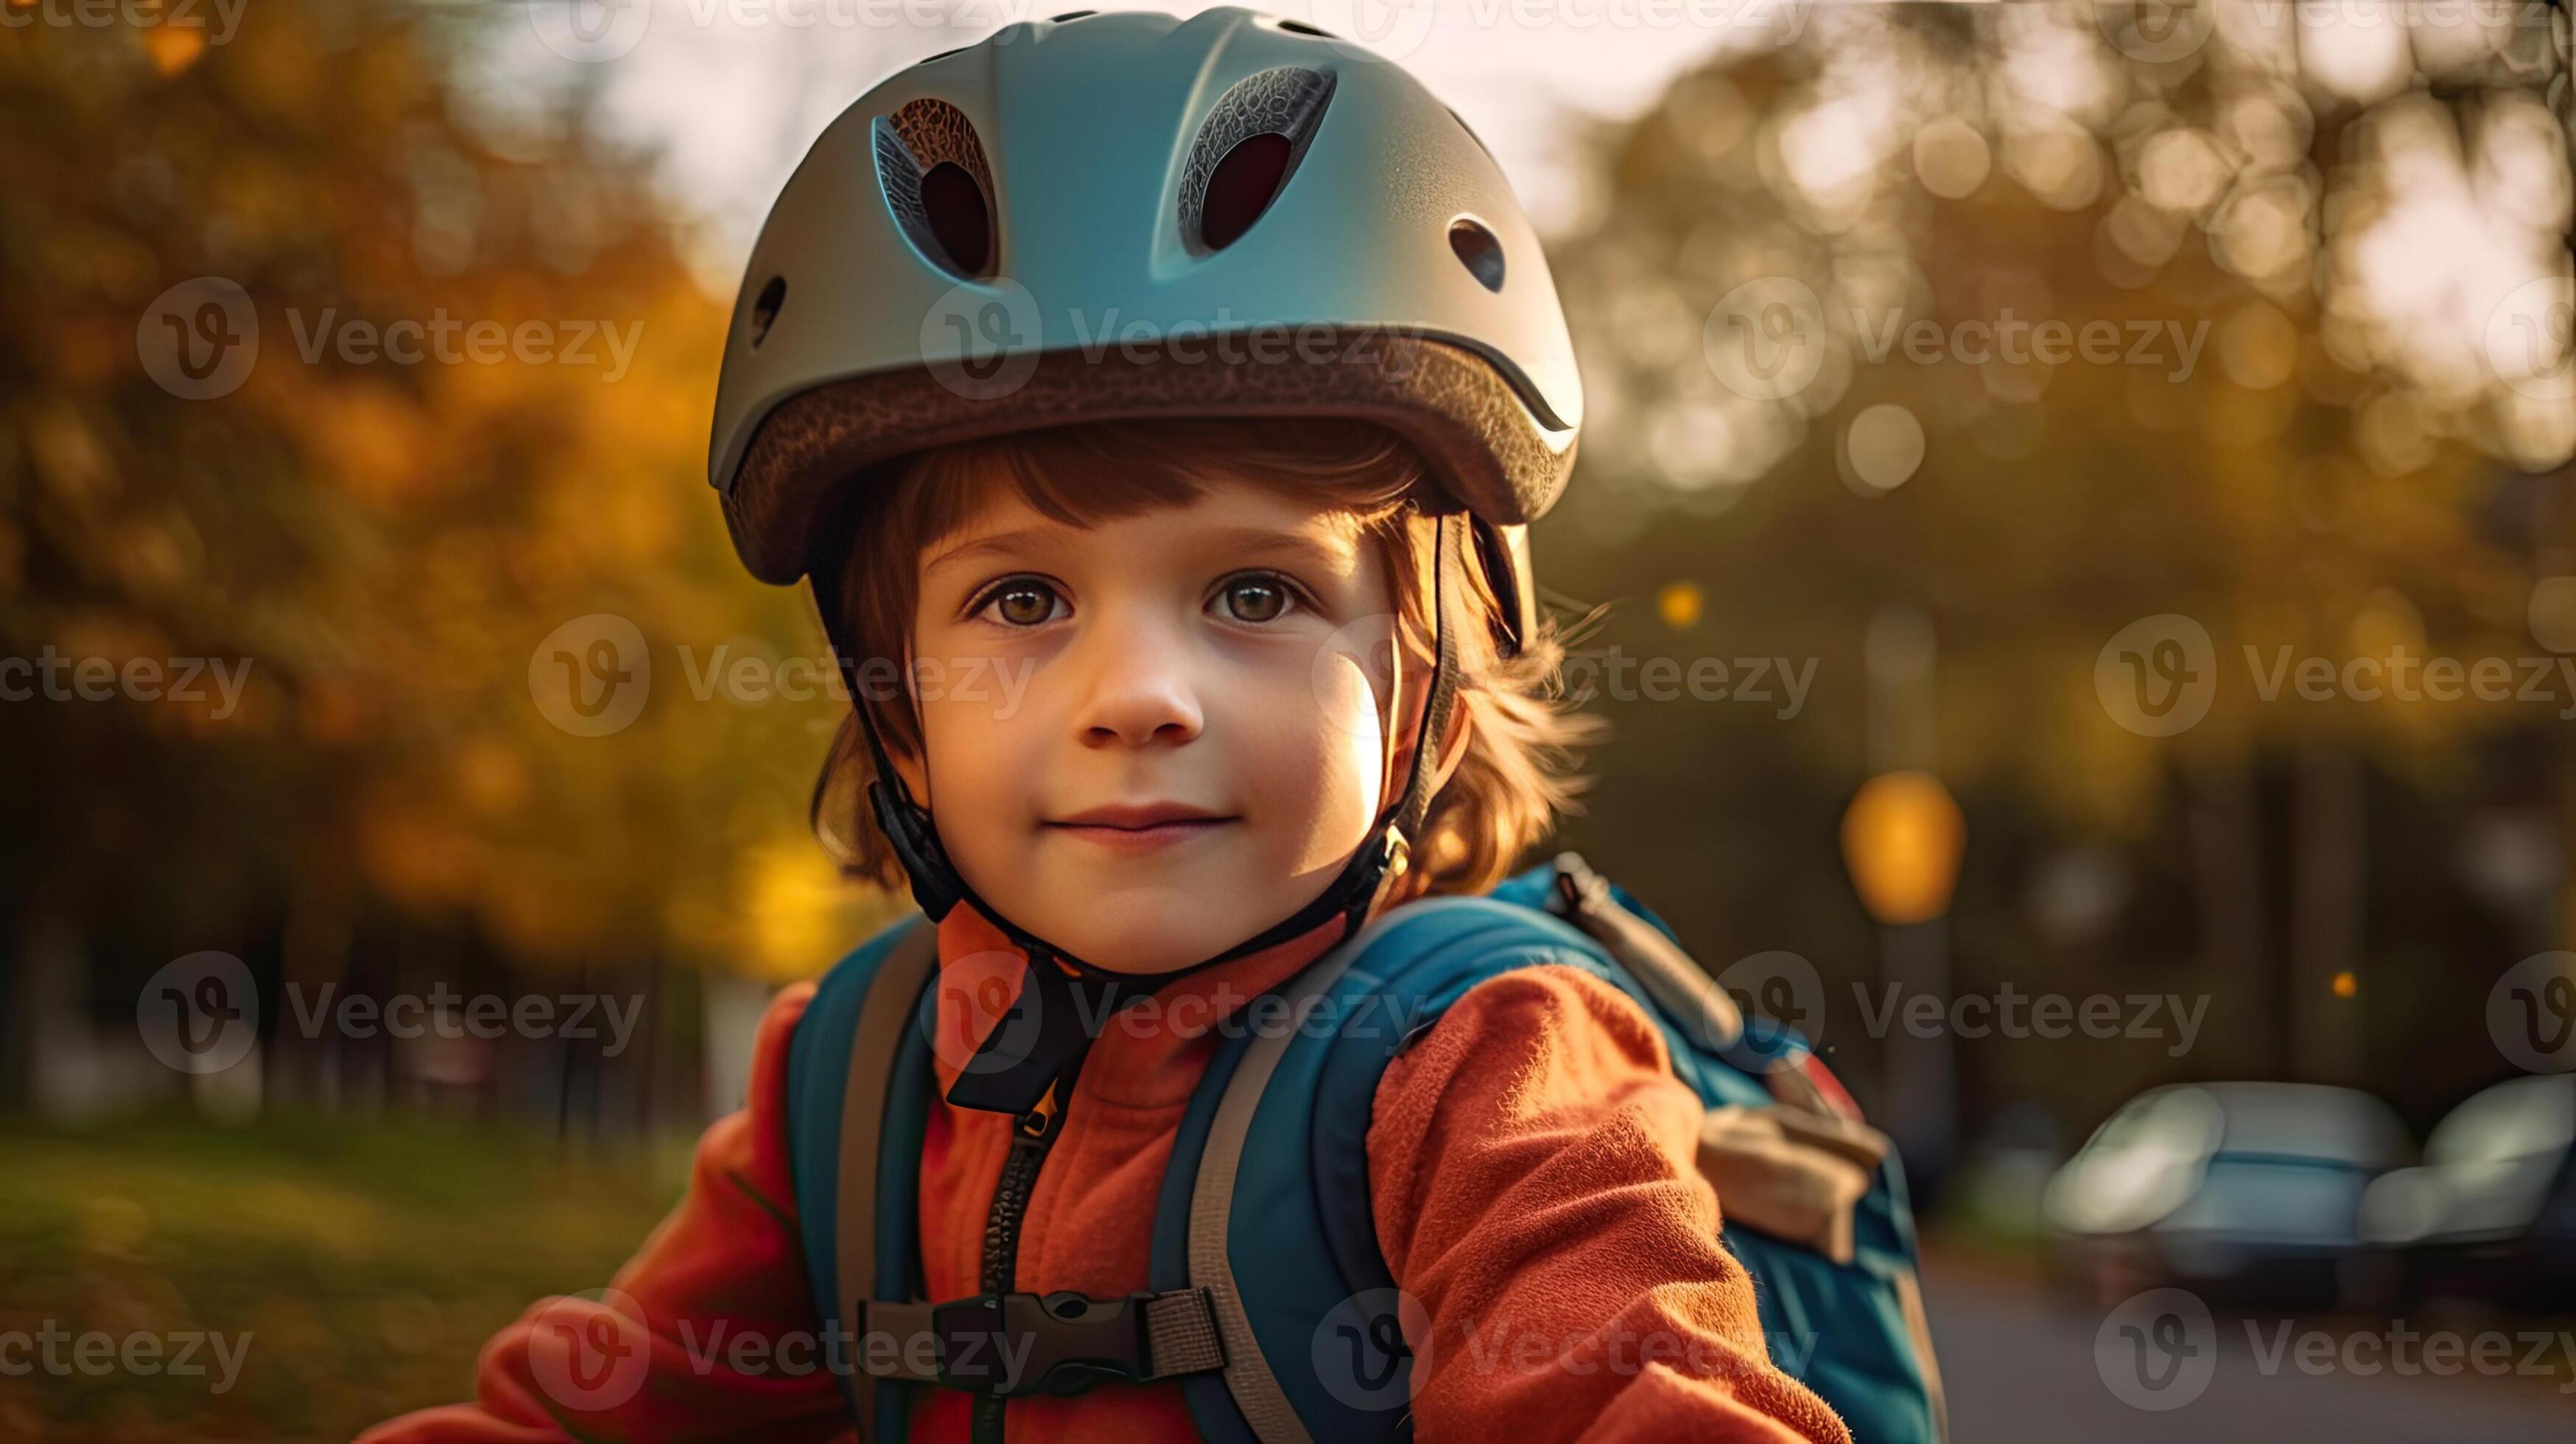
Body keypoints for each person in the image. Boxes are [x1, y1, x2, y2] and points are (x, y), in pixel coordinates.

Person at [362, 9, 1856, 1442]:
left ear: (1432, 691)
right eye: (1020, 600)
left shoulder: (1490, 1062)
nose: (1138, 695)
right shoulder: (851, 1083)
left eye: (1257, 591)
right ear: (895, 708)